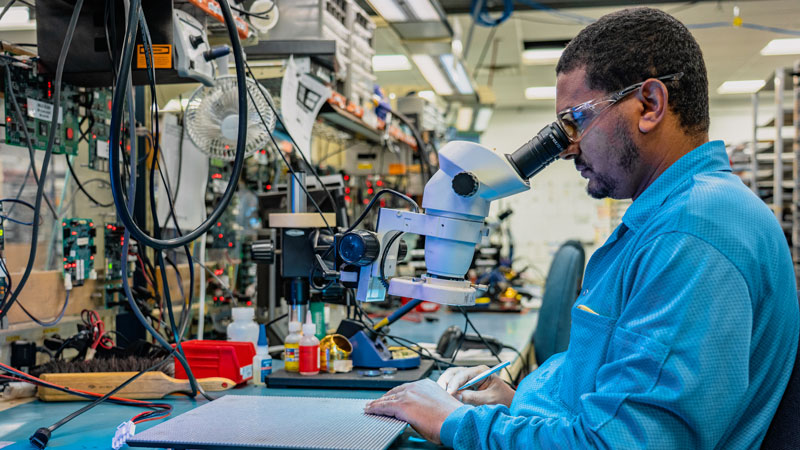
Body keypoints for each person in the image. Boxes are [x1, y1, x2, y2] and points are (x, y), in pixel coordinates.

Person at [364, 7, 800, 449]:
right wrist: (519, 401)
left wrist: (454, 423)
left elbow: (624, 443)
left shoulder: (692, 234)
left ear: (649, 105)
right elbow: (615, 386)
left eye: (576, 121)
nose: (568, 148)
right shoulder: (677, 213)